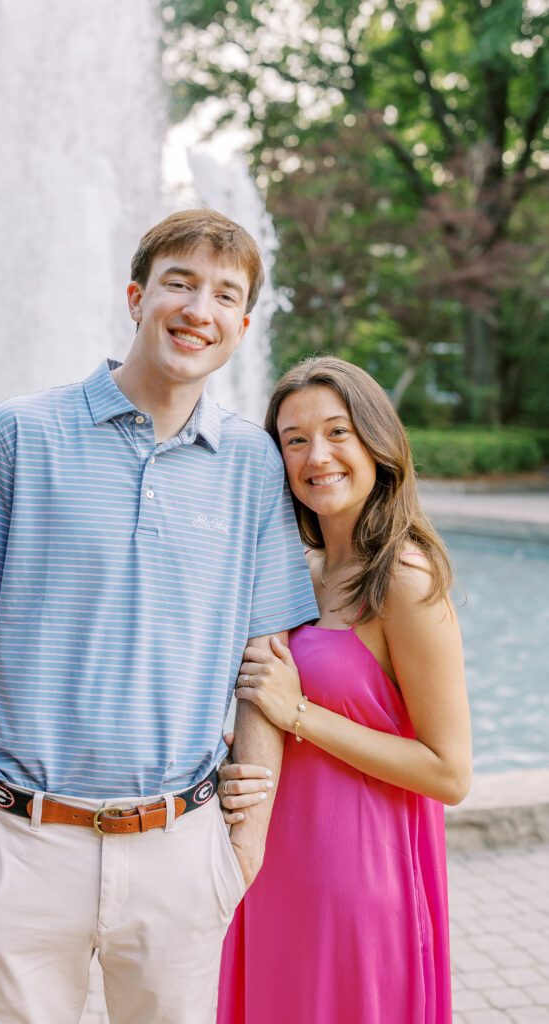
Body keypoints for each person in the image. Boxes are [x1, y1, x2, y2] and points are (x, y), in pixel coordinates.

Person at [0, 208, 320, 1024]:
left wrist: (240, 851)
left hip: (182, 854)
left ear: (242, 327)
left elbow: (265, 657)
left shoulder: (253, 464)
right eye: (179, 283)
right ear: (137, 297)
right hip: (22, 843)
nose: (198, 309)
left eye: (224, 295)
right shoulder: (18, 433)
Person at [216, 356, 472, 1024]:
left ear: (376, 443)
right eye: (294, 439)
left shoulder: (403, 579)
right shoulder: (295, 571)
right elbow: (271, 703)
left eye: (337, 432)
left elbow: (449, 773)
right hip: (272, 867)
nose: (316, 456)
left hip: (357, 882)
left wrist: (299, 713)